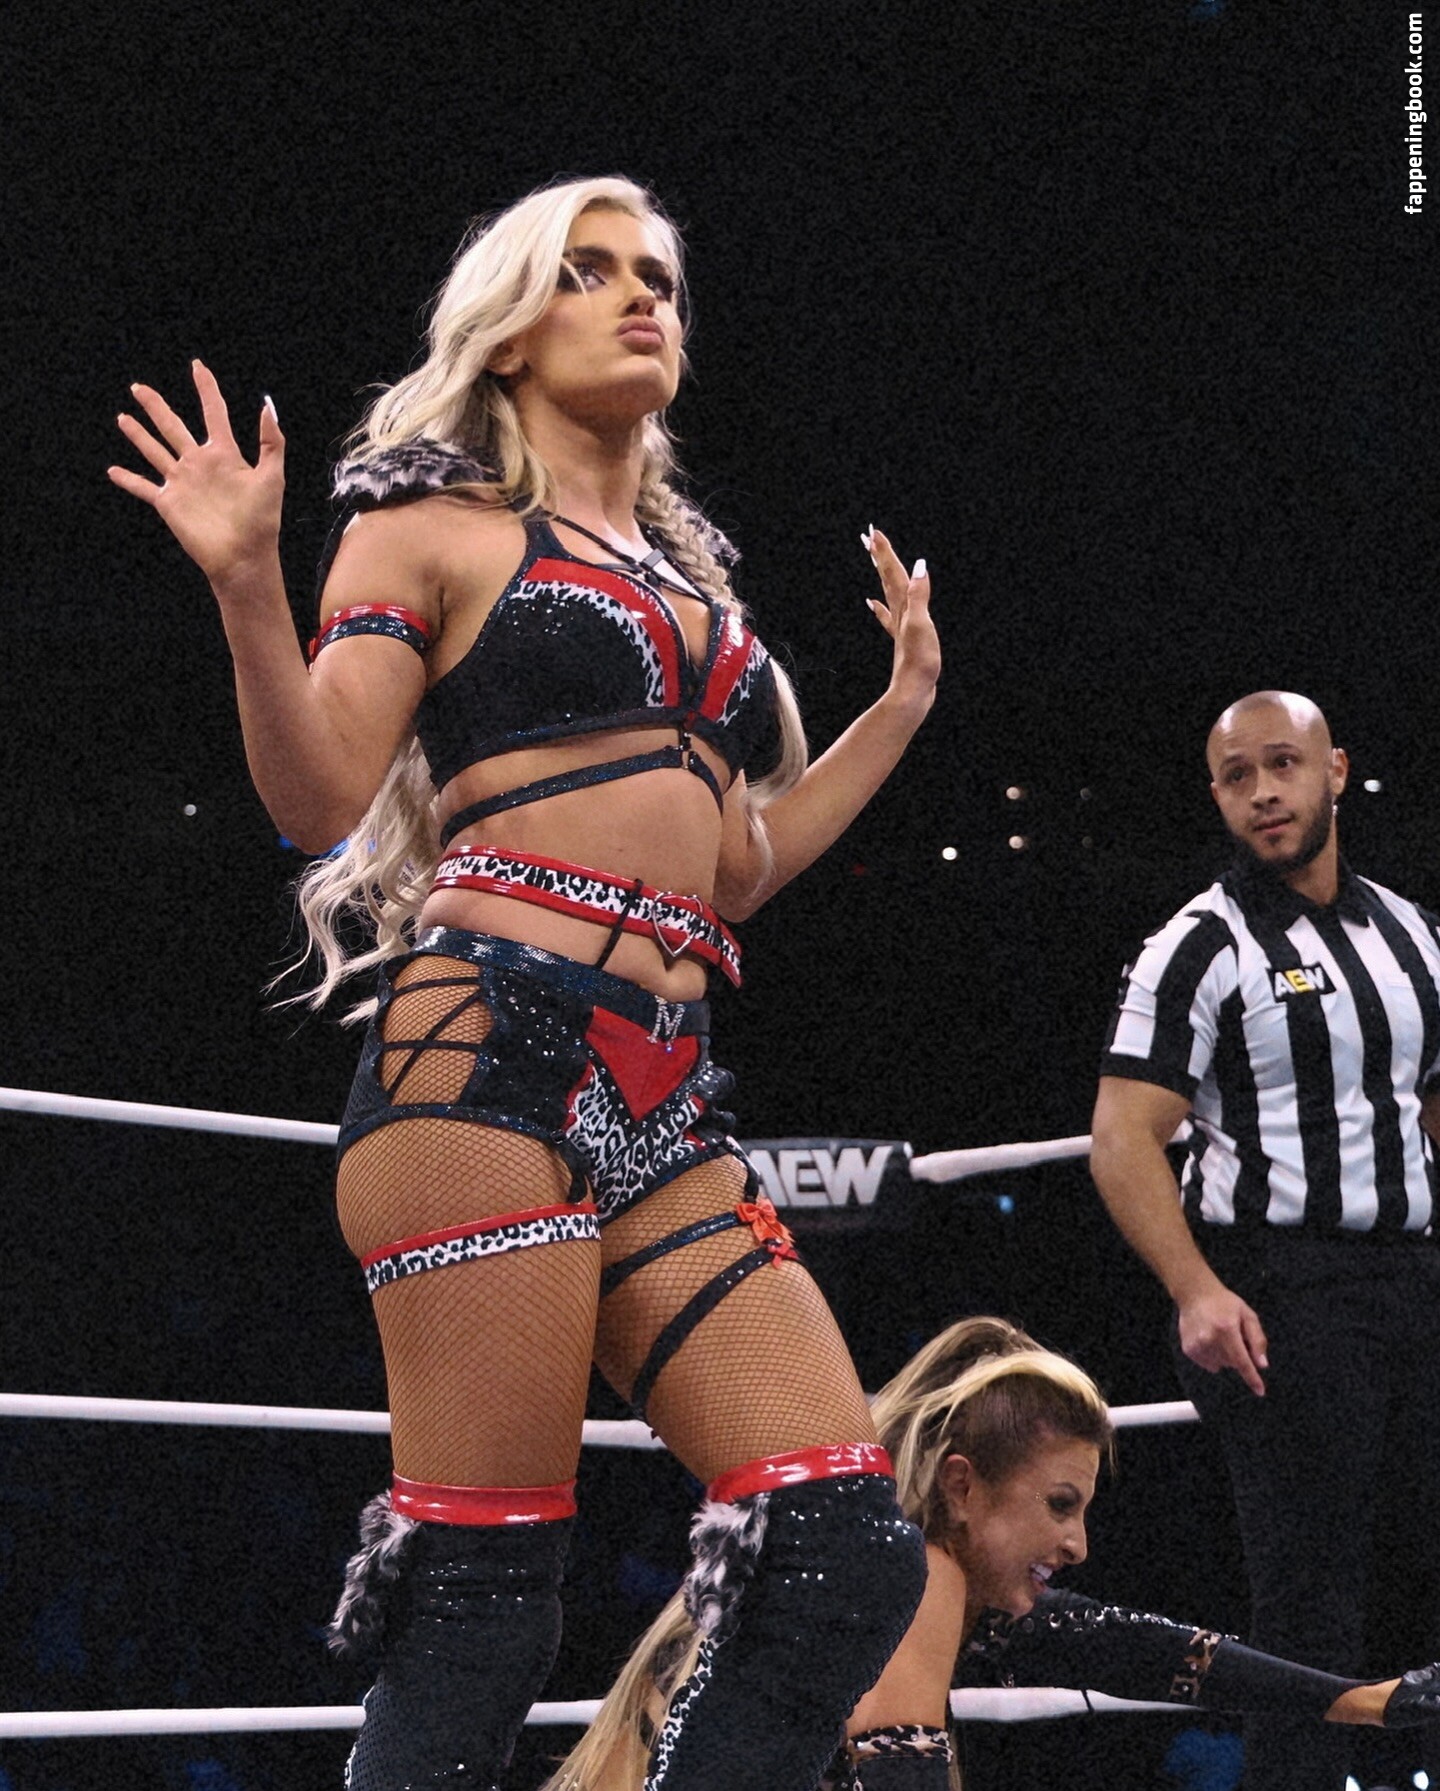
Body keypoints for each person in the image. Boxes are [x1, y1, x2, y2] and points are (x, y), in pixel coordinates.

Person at [106, 174, 937, 1791]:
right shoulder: (428, 531)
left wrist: (896, 712)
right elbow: (319, 799)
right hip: (481, 1054)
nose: (642, 297)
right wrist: (245, 583)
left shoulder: (697, 593)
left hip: (663, 1088)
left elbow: (740, 866)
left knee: (845, 1545)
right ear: (506, 332)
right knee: (483, 1604)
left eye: (660, 276)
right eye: (591, 271)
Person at [538, 1316, 1440, 1791]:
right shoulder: (912, 1572)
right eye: (1059, 1505)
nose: (1077, 1544)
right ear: (962, 1486)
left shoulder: (873, 1563)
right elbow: (901, 1772)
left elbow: (1126, 1645)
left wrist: (1355, 1699)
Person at [1089, 689, 1440, 1791]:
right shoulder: (1199, 944)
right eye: (1238, 776)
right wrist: (1195, 1288)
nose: (1263, 794)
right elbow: (1123, 1137)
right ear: (1218, 796)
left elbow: (1429, 1101)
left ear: (1335, 770)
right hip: (1281, 1292)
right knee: (1308, 1604)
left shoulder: (1411, 932)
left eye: (1283, 765)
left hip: (1414, 1276)